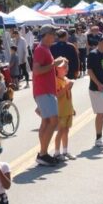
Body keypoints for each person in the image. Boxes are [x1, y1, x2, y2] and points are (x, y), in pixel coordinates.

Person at [32, 26, 60, 167]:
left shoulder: (44, 49)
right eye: (52, 33)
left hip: (45, 90)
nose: (55, 36)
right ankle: (43, 153)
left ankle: (43, 153)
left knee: (46, 122)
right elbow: (37, 70)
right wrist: (54, 64)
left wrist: (54, 64)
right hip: (44, 90)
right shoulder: (41, 49)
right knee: (53, 121)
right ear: (46, 35)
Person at [86, 34, 103, 148]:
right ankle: (98, 138)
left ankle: (100, 137)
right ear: (102, 42)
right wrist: (98, 83)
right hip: (96, 89)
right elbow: (90, 71)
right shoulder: (93, 54)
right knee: (100, 113)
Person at [53, 58, 75, 161]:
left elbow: (69, 96)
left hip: (67, 110)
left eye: (67, 66)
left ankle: (65, 151)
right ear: (57, 68)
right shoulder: (55, 80)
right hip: (60, 111)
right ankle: (57, 152)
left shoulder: (66, 79)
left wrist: (72, 108)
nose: (66, 68)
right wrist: (66, 87)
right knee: (60, 131)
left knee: (66, 130)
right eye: (64, 66)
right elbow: (57, 95)